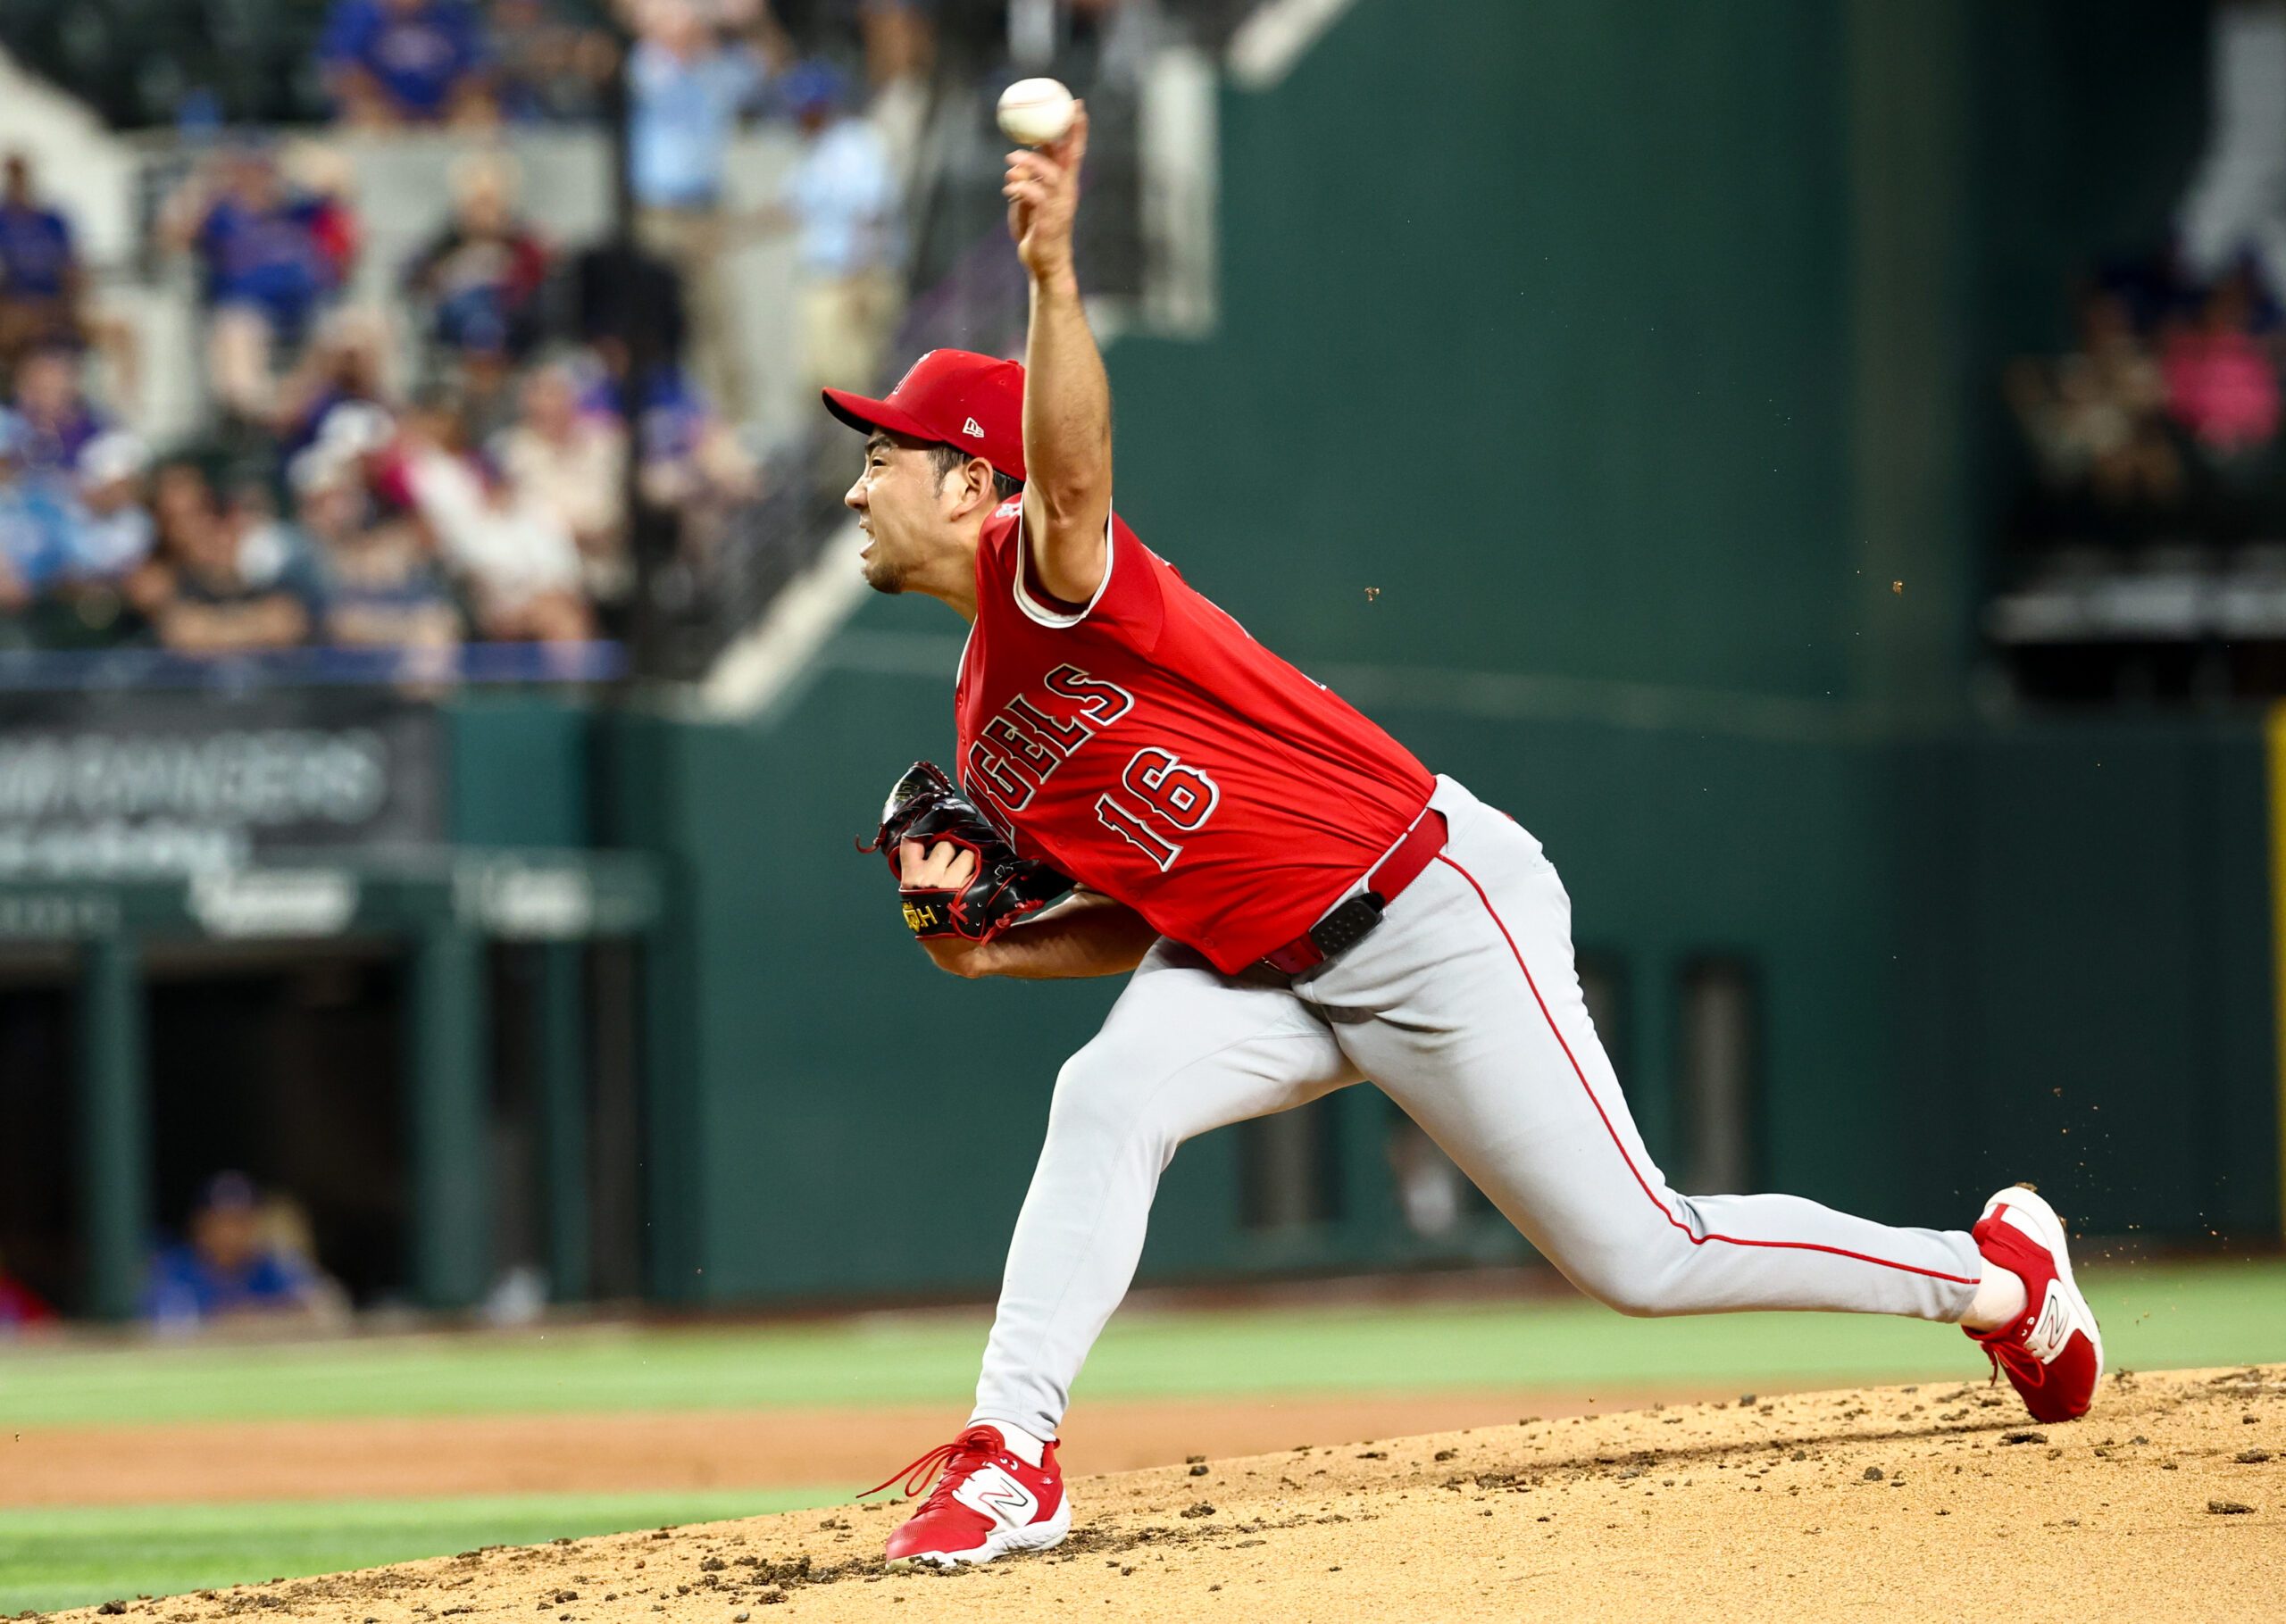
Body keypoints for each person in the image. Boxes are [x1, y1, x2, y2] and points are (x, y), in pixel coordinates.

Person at [828, 106, 2106, 1570]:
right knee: (1105, 1094)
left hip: (1426, 907)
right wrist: (991, 947)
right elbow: (1137, 907)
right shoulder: (988, 721)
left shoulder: (1042, 574)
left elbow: (1072, 472)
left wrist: (1053, 278)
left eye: (886, 452)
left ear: (968, 483)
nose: (858, 478)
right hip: (1254, 962)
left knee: (1643, 1253)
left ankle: (1992, 1275)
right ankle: (1013, 1454)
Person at [626, 0, 775, 422]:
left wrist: (751, 21)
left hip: (704, 212)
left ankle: (733, 422)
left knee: (715, 318)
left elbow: (770, 65)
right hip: (655, 211)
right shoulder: (647, 66)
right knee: (653, 316)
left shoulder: (718, 71)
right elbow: (644, 39)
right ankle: (650, 416)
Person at [777, 62, 902, 400]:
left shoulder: (856, 143)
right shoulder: (812, 149)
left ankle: (865, 451)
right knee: (822, 379)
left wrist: (861, 276)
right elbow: (788, 207)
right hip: (824, 278)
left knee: (857, 382)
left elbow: (872, 213)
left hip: (852, 276)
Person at [143, 1171, 342, 1330]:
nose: (233, 1233)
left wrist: (259, 1320)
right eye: (223, 1222)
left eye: (242, 1222)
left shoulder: (273, 1266)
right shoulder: (175, 1270)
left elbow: (326, 1312)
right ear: (200, 1224)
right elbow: (169, 1330)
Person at [320, 0, 498, 128]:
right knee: (365, 117)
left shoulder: (453, 12)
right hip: (383, 111)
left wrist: (447, 110)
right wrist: (391, 110)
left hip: (444, 112)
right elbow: (345, 72)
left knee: (481, 115)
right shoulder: (359, 12)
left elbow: (474, 74)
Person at [0, 152, 83, 365]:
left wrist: (66, 305)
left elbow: (72, 268)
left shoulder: (53, 220)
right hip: (15, 309)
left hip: (57, 306)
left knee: (117, 330)